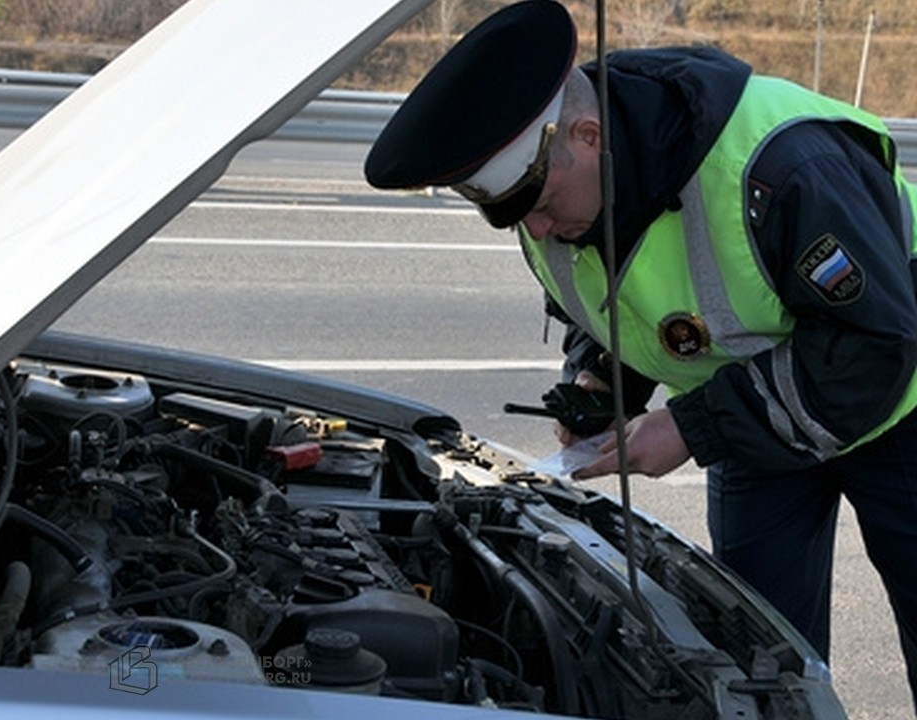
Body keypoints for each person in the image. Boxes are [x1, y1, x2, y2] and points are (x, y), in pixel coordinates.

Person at [363, 0, 917, 705]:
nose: (534, 227)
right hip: (761, 417)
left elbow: (875, 342)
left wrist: (692, 427)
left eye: (538, 198)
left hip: (902, 397)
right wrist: (598, 384)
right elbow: (611, 301)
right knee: (762, 656)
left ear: (590, 134)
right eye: (510, 213)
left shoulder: (781, 165)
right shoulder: (547, 199)